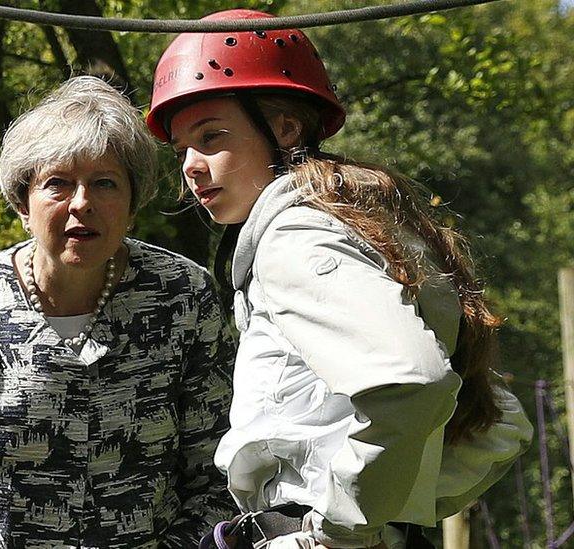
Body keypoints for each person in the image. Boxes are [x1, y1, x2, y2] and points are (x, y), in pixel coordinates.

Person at [145, 9, 533, 549]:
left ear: (285, 128)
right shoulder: (366, 226)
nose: (190, 165)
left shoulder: (295, 235)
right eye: (184, 147)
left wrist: (341, 527)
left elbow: (411, 382)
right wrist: (392, 515)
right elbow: (500, 426)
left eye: (212, 137)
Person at [0, 75, 237, 547]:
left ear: (133, 201)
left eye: (104, 183)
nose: (82, 204)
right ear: (23, 203)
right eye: (57, 184)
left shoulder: (182, 293)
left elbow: (217, 475)